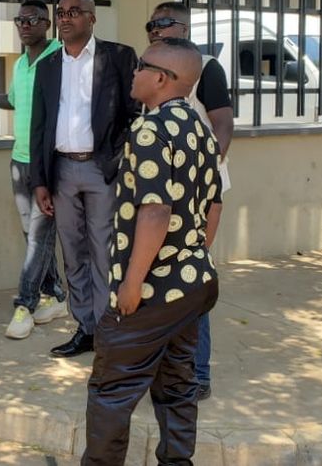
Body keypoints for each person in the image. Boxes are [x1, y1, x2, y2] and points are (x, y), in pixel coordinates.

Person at [82, 37, 222, 465]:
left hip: (152, 291)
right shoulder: (199, 127)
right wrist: (190, 257)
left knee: (111, 388)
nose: (134, 72)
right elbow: (215, 204)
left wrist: (133, 283)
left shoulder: (151, 129)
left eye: (141, 66)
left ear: (162, 79)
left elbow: (156, 211)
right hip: (193, 283)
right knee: (177, 382)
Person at [30, 0, 138, 357]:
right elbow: (38, 126)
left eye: (74, 11)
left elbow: (133, 114)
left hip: (102, 169)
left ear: (92, 18)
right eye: (61, 12)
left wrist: (119, 160)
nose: (65, 18)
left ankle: (109, 328)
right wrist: (39, 181)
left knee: (104, 251)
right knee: (73, 252)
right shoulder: (47, 65)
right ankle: (86, 328)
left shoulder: (118, 57)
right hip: (61, 171)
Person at [146, 1, 234, 400]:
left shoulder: (206, 67)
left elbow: (223, 124)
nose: (155, 29)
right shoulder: (153, 71)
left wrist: (205, 176)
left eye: (163, 23)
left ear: (184, 27)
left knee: (190, 276)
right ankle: (170, 368)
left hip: (195, 194)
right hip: (161, 192)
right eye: (151, 24)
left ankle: (197, 375)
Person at [1, 0, 68, 339]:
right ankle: (55, 295)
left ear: (47, 24)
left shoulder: (60, 58)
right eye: (20, 20)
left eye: (32, 20)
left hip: (49, 164)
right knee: (33, 236)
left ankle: (25, 305)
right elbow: (13, 100)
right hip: (20, 159)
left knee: (39, 236)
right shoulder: (19, 64)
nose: (24, 26)